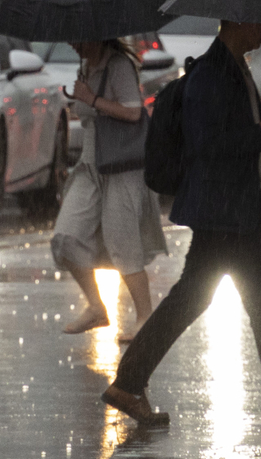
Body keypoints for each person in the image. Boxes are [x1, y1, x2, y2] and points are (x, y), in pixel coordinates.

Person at [103, 20, 261, 426]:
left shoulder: (234, 68)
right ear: (235, 20)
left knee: (200, 299)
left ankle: (128, 382)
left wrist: (258, 126)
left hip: (230, 209)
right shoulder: (211, 76)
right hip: (222, 209)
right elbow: (206, 147)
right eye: (259, 21)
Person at [51, 38, 164, 337]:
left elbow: (133, 112)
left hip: (121, 166)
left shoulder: (118, 65)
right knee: (67, 236)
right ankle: (96, 307)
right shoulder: (88, 66)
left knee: (123, 243)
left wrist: (91, 100)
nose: (74, 44)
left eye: (79, 37)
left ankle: (145, 317)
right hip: (90, 166)